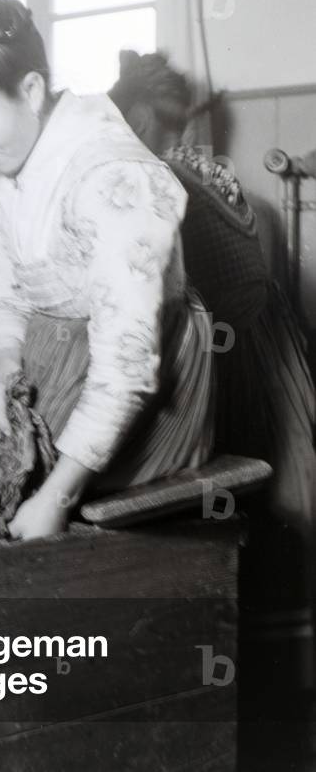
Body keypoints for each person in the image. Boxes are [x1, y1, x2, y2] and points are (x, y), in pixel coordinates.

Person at [0, 0, 214, 542]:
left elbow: (127, 367)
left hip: (147, 398)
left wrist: (58, 496)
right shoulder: (14, 167)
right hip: (50, 366)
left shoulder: (114, 175)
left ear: (31, 90)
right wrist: (4, 377)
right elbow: (4, 295)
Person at [109, 49, 316, 702]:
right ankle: (274, 676)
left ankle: (244, 677)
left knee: (253, 501)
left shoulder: (155, 177)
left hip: (238, 354)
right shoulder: (209, 171)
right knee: (281, 499)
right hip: (272, 347)